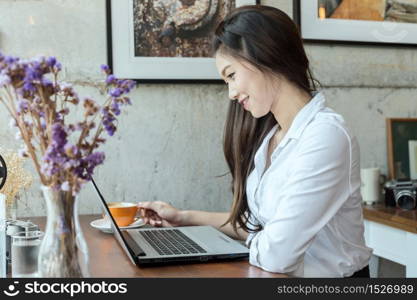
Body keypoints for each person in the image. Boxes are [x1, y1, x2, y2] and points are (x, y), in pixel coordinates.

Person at [137, 5, 372, 277]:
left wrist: (242, 243)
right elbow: (260, 227)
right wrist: (182, 218)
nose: (231, 93)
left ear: (262, 54)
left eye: (231, 75)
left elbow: (276, 256)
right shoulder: (272, 138)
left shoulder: (325, 136)